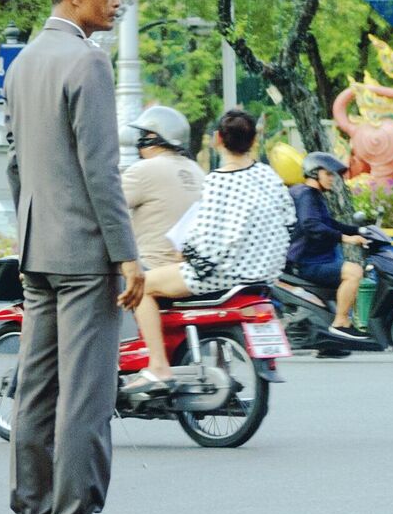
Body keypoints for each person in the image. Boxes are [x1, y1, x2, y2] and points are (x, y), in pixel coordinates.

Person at [3, 0, 143, 514]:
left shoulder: (25, 62)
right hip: (86, 255)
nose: (117, 2)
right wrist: (127, 255)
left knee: (35, 392)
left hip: (38, 250)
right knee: (85, 394)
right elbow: (101, 171)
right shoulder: (87, 62)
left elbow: (14, 164)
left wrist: (34, 227)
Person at [124, 107, 294, 393]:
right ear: (255, 140)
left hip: (219, 275)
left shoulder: (217, 180)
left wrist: (186, 253)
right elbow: (289, 222)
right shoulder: (269, 176)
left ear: (217, 139)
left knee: (143, 286)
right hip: (261, 274)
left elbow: (206, 235)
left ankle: (158, 366)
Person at [286, 152, 370, 341]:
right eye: (329, 174)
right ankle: (341, 322)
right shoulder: (307, 195)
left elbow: (329, 223)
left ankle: (330, 343)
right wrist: (345, 238)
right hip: (308, 263)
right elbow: (311, 225)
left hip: (318, 259)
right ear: (315, 173)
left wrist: (360, 230)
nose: (332, 179)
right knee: (354, 272)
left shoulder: (314, 196)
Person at [120, 105, 203, 269]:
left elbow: (107, 206)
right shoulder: (197, 171)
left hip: (150, 267)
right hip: (187, 272)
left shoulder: (144, 169)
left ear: (154, 137)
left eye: (144, 134)